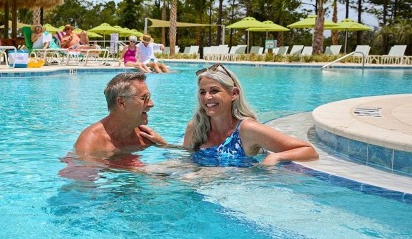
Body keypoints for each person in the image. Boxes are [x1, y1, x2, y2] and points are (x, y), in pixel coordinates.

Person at [183, 63, 318, 166]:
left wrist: (276, 157)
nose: (207, 97)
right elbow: (185, 161)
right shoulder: (196, 128)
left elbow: (308, 151)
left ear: (234, 94)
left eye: (214, 91)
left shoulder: (246, 129)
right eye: (202, 92)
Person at [74, 72, 167, 157]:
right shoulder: (91, 142)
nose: (151, 104)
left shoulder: (146, 136)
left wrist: (163, 144)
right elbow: (79, 172)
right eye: (145, 98)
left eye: (149, 97)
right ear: (121, 102)